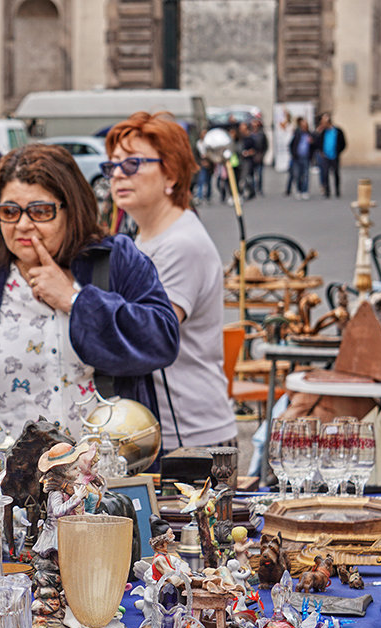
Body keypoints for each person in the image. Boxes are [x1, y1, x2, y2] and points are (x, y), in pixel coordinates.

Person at [0, 143, 180, 451]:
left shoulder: (115, 260)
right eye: (10, 212)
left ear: (69, 209)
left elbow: (162, 340)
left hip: (104, 483)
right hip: (9, 485)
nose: (23, 224)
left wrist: (76, 301)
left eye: (40, 211)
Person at [104, 111, 238, 453]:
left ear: (171, 174)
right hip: (159, 429)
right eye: (113, 165)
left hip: (191, 437)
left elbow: (144, 337)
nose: (118, 175)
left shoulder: (180, 244)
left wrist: (73, 300)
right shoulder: (145, 237)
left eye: (132, 164)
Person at [315, 113, 347, 198]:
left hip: (334, 156)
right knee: (325, 174)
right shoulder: (323, 132)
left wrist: (338, 151)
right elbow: (316, 142)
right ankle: (327, 192)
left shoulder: (337, 131)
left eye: (323, 122)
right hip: (325, 156)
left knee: (336, 173)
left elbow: (343, 143)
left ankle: (337, 191)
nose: (322, 124)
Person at [287, 116, 314, 200]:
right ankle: (299, 190)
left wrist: (312, 143)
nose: (304, 127)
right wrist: (293, 154)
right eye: (302, 125)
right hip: (297, 157)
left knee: (305, 175)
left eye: (305, 125)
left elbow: (314, 146)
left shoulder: (310, 134)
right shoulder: (297, 133)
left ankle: (305, 191)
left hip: (306, 157)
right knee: (297, 175)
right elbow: (291, 144)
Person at [250, 117, 268, 197]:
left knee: (259, 174)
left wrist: (262, 155)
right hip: (251, 157)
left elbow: (265, 146)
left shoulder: (261, 134)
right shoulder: (250, 134)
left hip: (259, 156)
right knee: (252, 175)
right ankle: (253, 189)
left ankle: (259, 189)